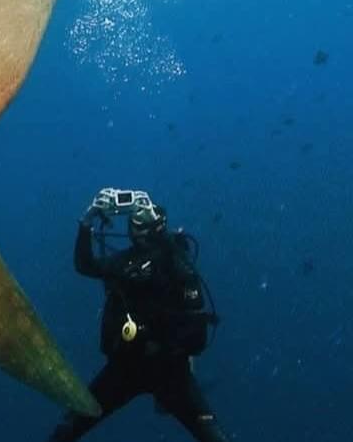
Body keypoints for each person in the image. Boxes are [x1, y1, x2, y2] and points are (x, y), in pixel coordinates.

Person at [47, 189, 230, 442]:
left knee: (69, 427)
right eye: (135, 223)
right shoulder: (125, 263)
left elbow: (192, 307)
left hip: (169, 369)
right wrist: (86, 222)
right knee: (68, 428)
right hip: (128, 367)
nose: (137, 230)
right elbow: (85, 265)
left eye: (142, 224)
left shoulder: (175, 259)